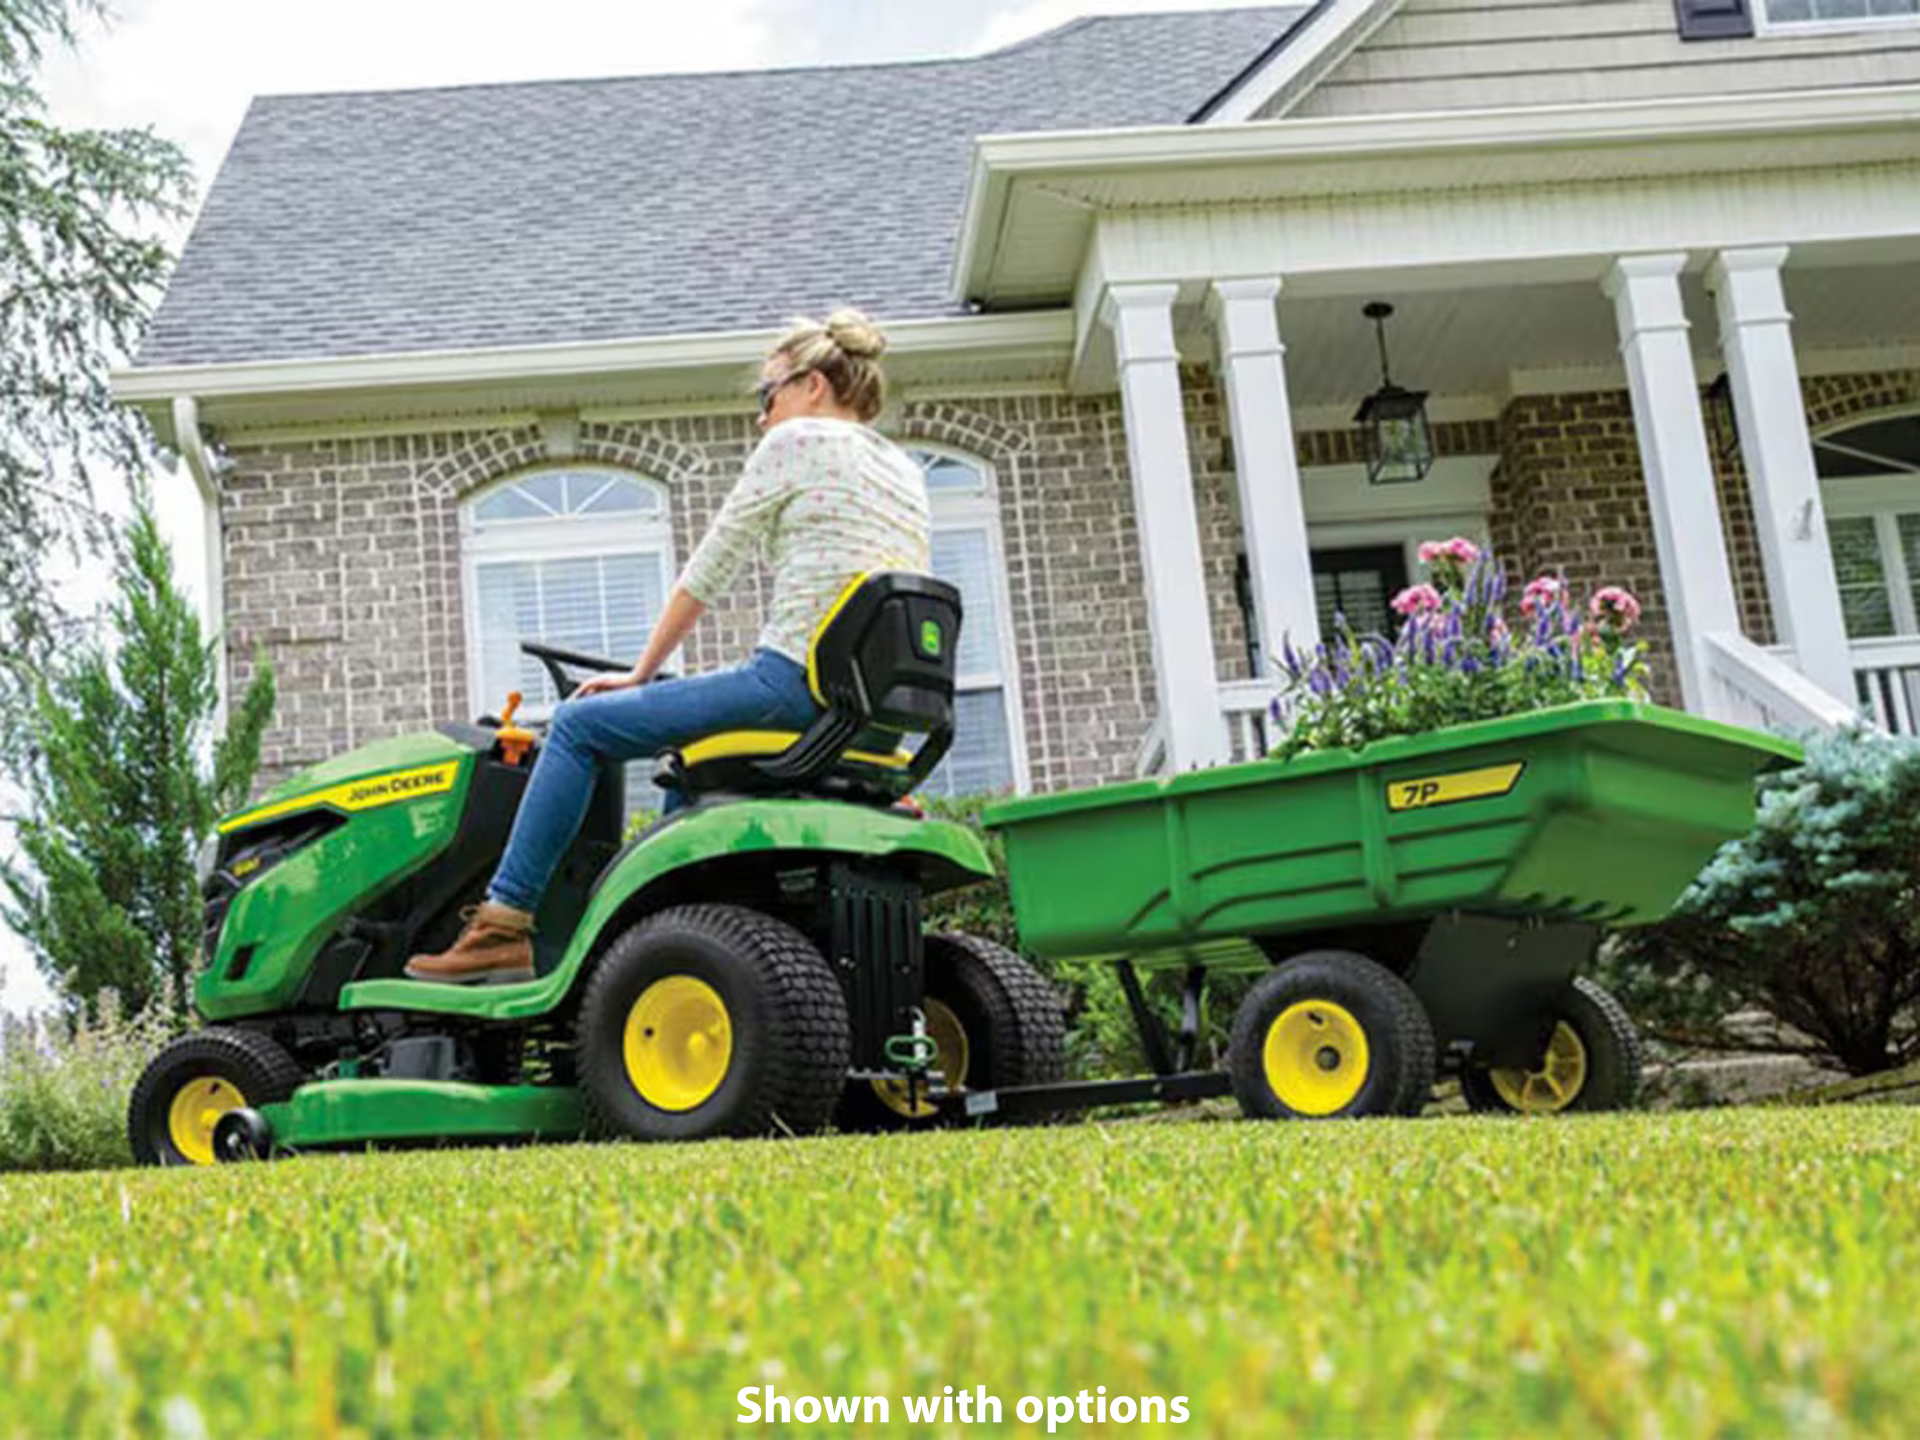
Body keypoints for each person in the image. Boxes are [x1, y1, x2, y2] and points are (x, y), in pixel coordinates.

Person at [406, 308, 932, 983]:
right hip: (876, 715)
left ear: (812, 387)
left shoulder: (797, 440)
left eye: (765, 395)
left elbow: (707, 572)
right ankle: (670, 947)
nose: (760, 417)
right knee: (685, 759)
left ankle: (501, 925)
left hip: (794, 686)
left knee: (576, 725)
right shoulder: (904, 469)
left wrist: (640, 674)